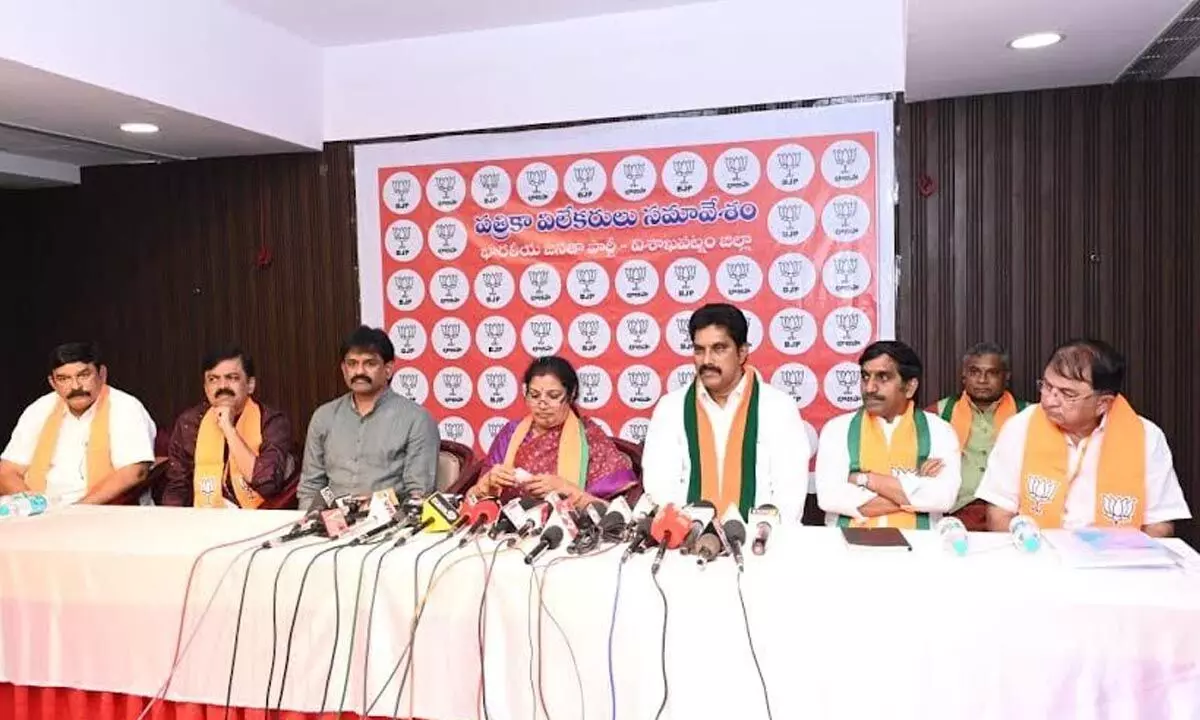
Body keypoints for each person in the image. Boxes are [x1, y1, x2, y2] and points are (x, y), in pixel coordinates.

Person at [976, 339, 1190, 537]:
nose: (1050, 401)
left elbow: (1159, 524)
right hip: (1037, 556)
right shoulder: (1020, 426)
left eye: (1068, 394)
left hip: (1115, 562)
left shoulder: (1146, 437)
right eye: (1047, 386)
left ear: (1103, 403)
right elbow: (999, 512)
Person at [642, 303, 808, 521]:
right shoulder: (671, 408)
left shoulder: (777, 407)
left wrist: (760, 538)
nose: (707, 360)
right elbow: (659, 486)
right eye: (699, 350)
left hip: (760, 544)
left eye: (719, 349)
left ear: (742, 353)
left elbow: (790, 493)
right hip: (686, 545)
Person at [816, 341, 962, 528]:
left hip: (920, 549)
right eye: (865, 377)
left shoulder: (939, 431)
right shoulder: (838, 429)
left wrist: (864, 479)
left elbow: (943, 498)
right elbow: (830, 497)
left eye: (883, 378)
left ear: (910, 387)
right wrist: (915, 488)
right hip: (849, 549)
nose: (869, 388)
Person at [298, 326, 439, 507]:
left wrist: (376, 506)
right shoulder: (324, 416)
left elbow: (419, 493)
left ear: (388, 369)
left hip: (388, 524)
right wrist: (310, 521)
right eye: (352, 364)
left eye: (370, 364)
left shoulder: (417, 419)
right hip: (330, 524)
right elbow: (311, 486)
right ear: (343, 369)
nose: (359, 372)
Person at [0, 342, 156, 505]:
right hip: (40, 511)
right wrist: (32, 505)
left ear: (102, 374)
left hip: (101, 510)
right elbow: (7, 471)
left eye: (83, 375)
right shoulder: (39, 409)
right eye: (63, 379)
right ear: (53, 383)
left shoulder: (125, 406)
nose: (75, 386)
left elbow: (134, 472)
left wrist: (78, 510)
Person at [470, 356, 638, 507]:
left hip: (569, 533)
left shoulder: (590, 438)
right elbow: (471, 500)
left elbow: (616, 513)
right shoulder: (511, 433)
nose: (542, 404)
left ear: (571, 394)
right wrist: (487, 483)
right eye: (534, 396)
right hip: (507, 530)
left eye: (553, 395)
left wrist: (565, 489)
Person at [160, 347, 294, 508]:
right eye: (213, 379)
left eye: (232, 378)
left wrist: (229, 429)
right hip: (203, 521)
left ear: (250, 385)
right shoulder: (190, 423)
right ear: (205, 387)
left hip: (258, 520)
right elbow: (177, 488)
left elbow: (267, 482)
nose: (222, 386)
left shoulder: (272, 422)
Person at [928, 342, 1028, 530]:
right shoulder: (939, 413)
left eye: (992, 373)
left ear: (1006, 377)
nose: (982, 379)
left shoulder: (1027, 415)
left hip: (1011, 514)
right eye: (974, 372)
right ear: (964, 376)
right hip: (956, 513)